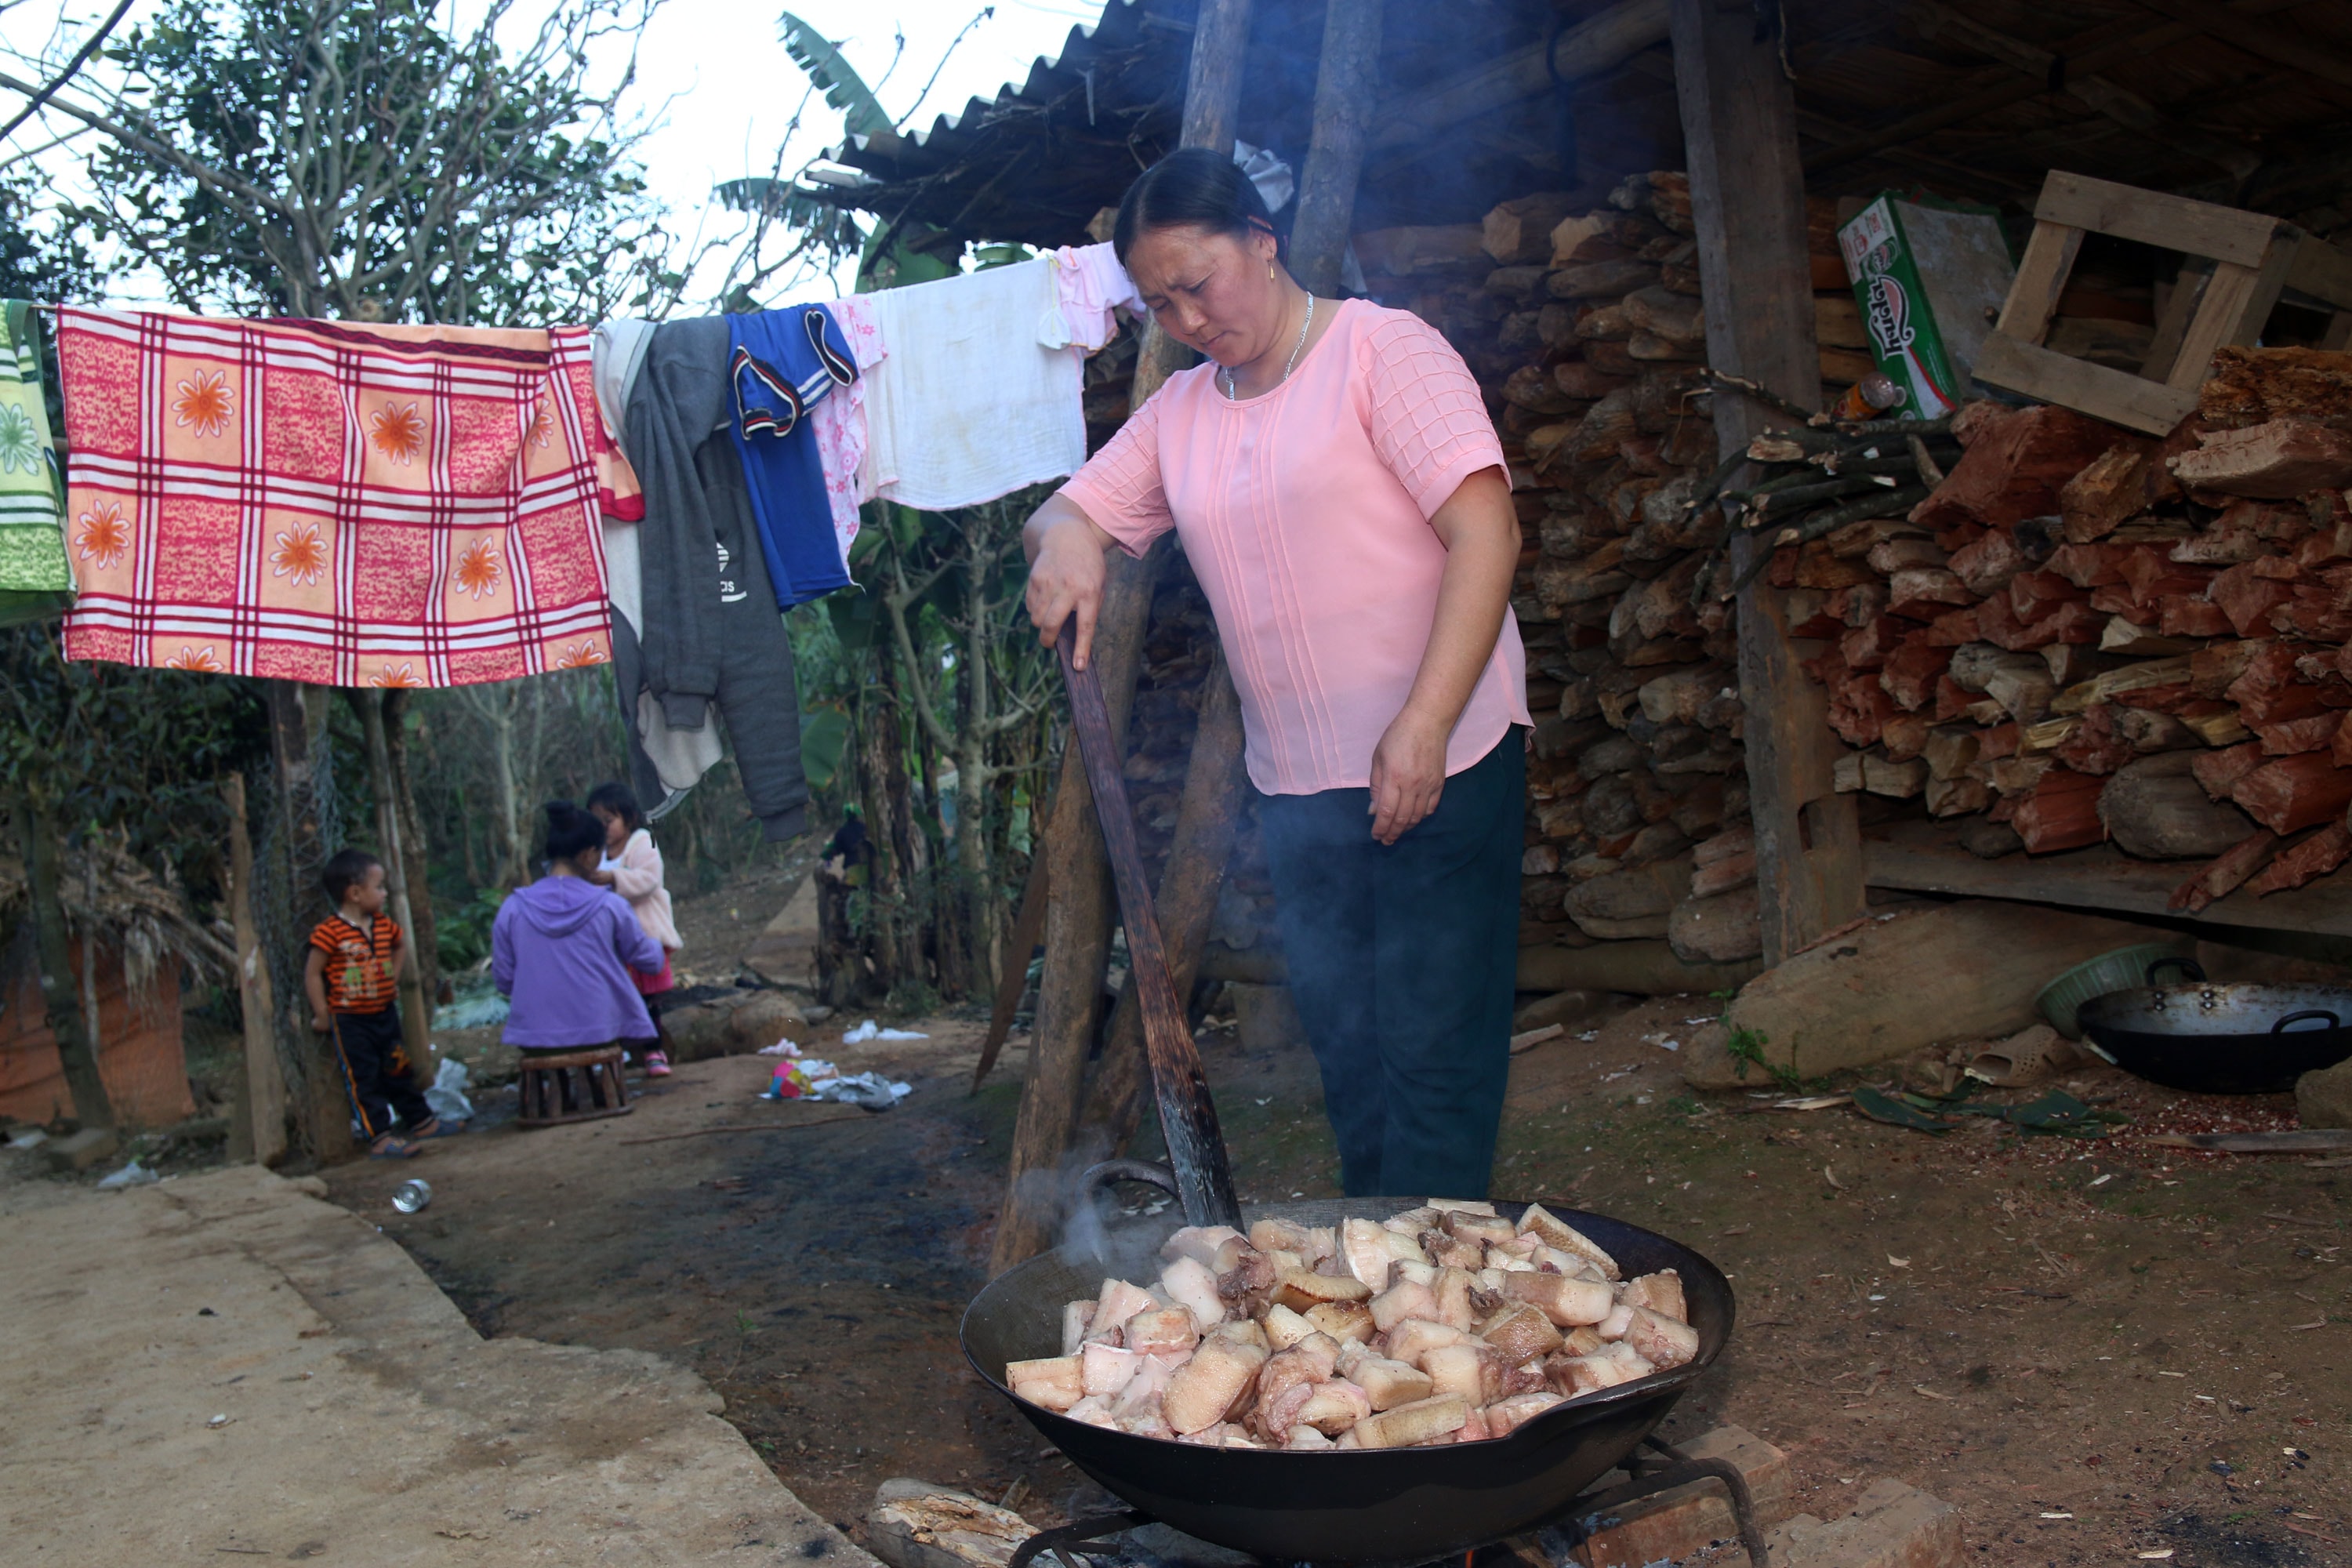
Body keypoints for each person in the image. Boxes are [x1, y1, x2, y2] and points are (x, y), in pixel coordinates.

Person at [1022, 149, 1529, 1201]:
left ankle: (1434, 1294)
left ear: (1263, 240)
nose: (1190, 320)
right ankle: (1387, 1275)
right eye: (1162, 306)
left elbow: (1487, 533)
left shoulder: (1383, 351)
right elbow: (1070, 509)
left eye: (1198, 285)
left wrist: (1424, 724)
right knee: (1349, 1051)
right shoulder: (1181, 415)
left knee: (1435, 1047)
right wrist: (1065, 539)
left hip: (1446, 749)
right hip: (1300, 791)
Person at [305, 848, 459, 1160]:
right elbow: (312, 973)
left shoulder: (383, 925)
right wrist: (322, 1013)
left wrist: (393, 978)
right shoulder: (329, 932)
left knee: (399, 1069)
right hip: (350, 1019)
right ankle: (379, 1136)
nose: (385, 893)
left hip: (385, 1013)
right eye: (379, 887)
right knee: (364, 1077)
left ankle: (422, 1122)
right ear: (355, 893)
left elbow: (400, 945)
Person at [493, 801, 667, 1058]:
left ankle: (557, 1093)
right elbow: (651, 962)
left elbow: (505, 981)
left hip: (534, 1037)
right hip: (602, 1030)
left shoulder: (513, 908)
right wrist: (655, 939)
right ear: (588, 855)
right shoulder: (610, 906)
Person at [584, 781, 681, 1076]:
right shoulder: (597, 852)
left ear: (629, 818)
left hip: (647, 937)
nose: (603, 828)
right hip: (613, 943)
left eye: (609, 821)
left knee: (648, 998)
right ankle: (621, 1052)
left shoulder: (643, 843)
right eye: (597, 822)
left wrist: (612, 879)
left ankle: (654, 1051)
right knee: (616, 997)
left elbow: (648, 880)